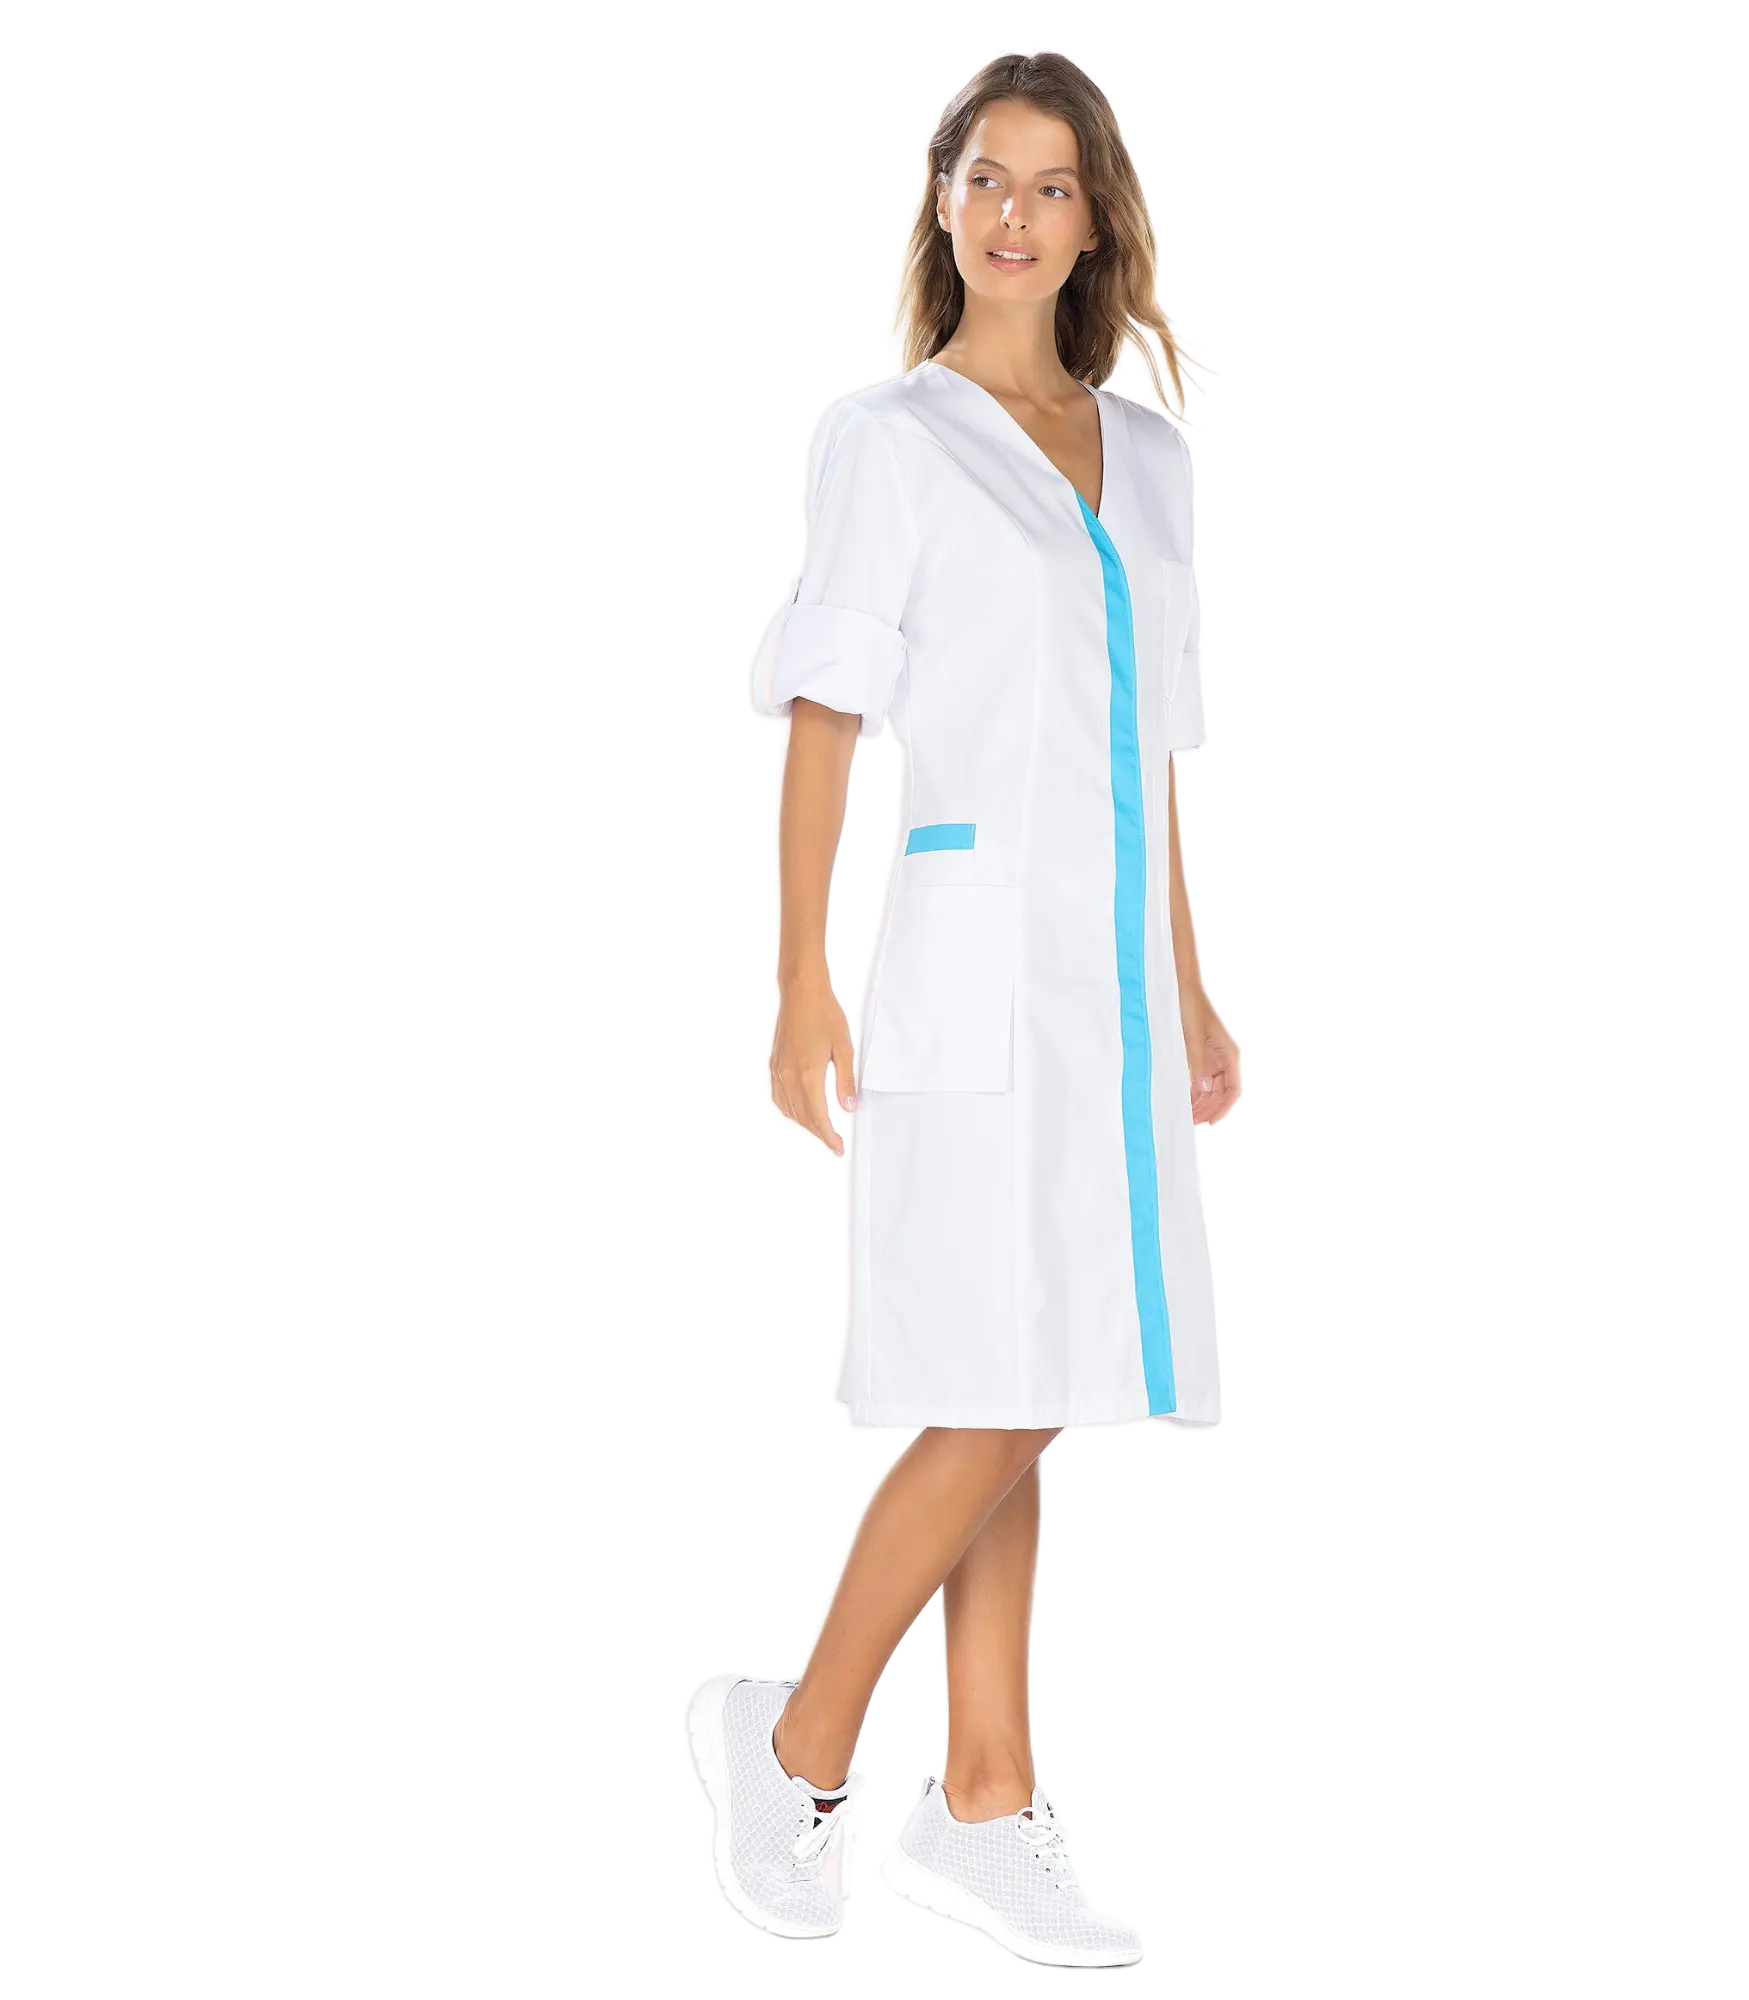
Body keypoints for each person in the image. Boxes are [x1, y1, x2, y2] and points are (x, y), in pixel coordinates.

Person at [686, 48, 1242, 1967]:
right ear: (942, 204)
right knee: (995, 1378)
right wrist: (797, 988)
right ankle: (794, 1743)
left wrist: (1193, 991)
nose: (1013, 214)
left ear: (1098, 221)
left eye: (1050, 184)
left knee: (1046, 1372)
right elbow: (822, 717)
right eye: (982, 178)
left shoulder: (1148, 457)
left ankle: (985, 1798)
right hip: (966, 956)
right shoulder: (888, 437)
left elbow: (1154, 756)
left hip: (1111, 982)